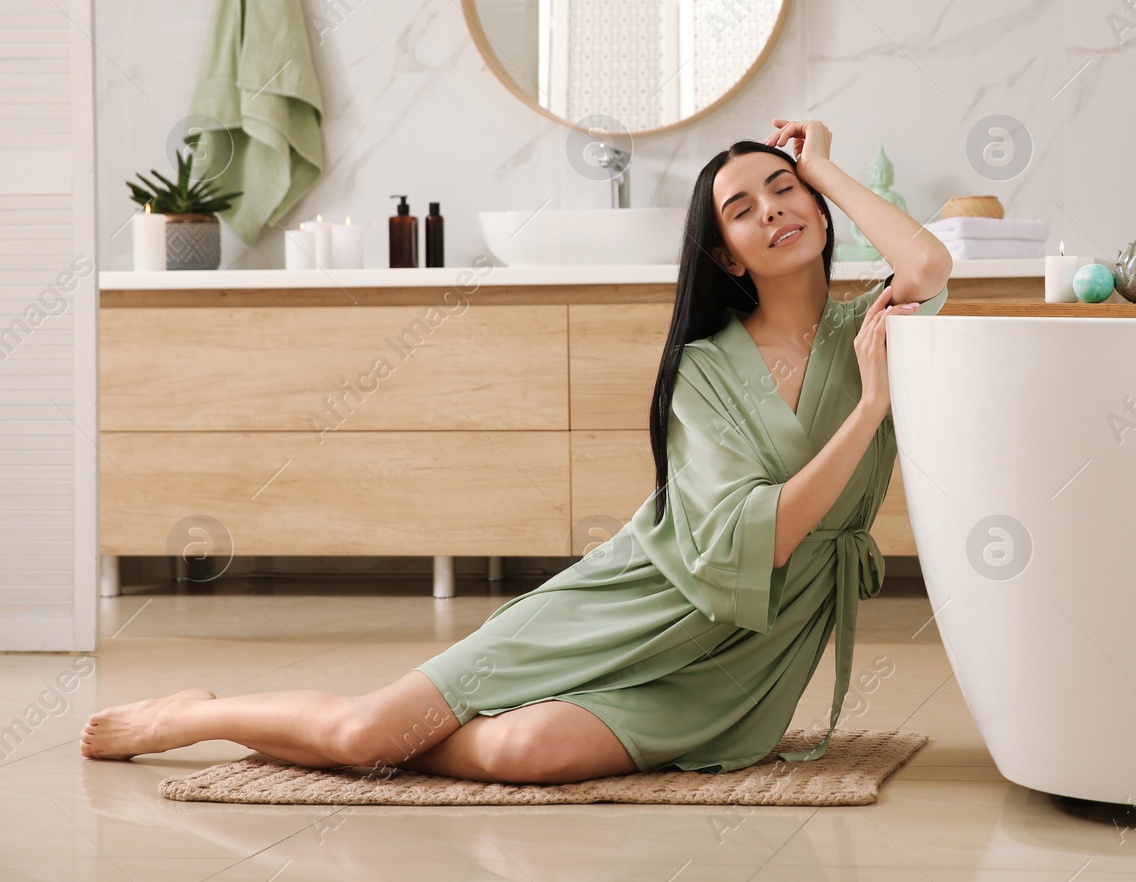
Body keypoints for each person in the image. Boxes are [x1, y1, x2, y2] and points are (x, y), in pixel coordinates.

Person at [80, 118, 952, 784]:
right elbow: (756, 536)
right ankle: (202, 715)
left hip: (746, 650)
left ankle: (389, 729)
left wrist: (826, 164)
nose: (774, 210)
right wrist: (872, 407)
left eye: (786, 189)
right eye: (743, 207)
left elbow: (930, 263)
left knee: (526, 750)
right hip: (642, 598)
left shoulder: (861, 331)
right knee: (368, 736)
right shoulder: (704, 369)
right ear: (725, 253)